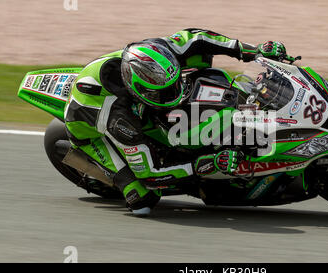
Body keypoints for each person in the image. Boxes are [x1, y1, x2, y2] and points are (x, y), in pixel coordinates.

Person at [64, 28, 289, 215]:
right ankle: (113, 176)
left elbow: (197, 38)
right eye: (164, 93)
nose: (174, 94)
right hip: (90, 128)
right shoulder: (120, 120)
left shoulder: (157, 48)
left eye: (174, 86)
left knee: (200, 55)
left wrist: (251, 50)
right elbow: (150, 173)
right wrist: (206, 163)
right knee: (144, 199)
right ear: (138, 90)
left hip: (118, 89)